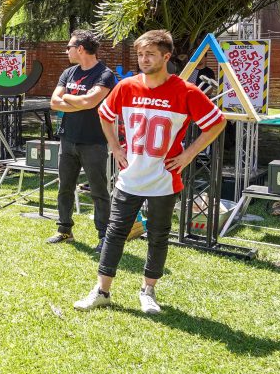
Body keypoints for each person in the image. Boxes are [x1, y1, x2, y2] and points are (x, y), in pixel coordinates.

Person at [74, 30, 226, 314]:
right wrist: (116, 148)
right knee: (115, 233)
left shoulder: (186, 91)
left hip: (164, 179)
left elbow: (217, 123)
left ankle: (148, 291)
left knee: (158, 236)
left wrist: (188, 154)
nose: (144, 60)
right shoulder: (126, 86)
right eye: (141, 54)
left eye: (150, 55)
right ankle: (102, 290)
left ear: (166, 57)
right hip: (129, 177)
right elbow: (104, 115)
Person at [48, 30, 116, 253]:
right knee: (64, 187)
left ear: (80, 49)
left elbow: (90, 101)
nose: (66, 50)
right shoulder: (69, 72)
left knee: (98, 191)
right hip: (68, 139)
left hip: (94, 142)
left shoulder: (104, 74)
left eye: (68, 47)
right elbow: (53, 103)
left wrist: (68, 97)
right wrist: (77, 102)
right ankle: (64, 229)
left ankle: (104, 236)